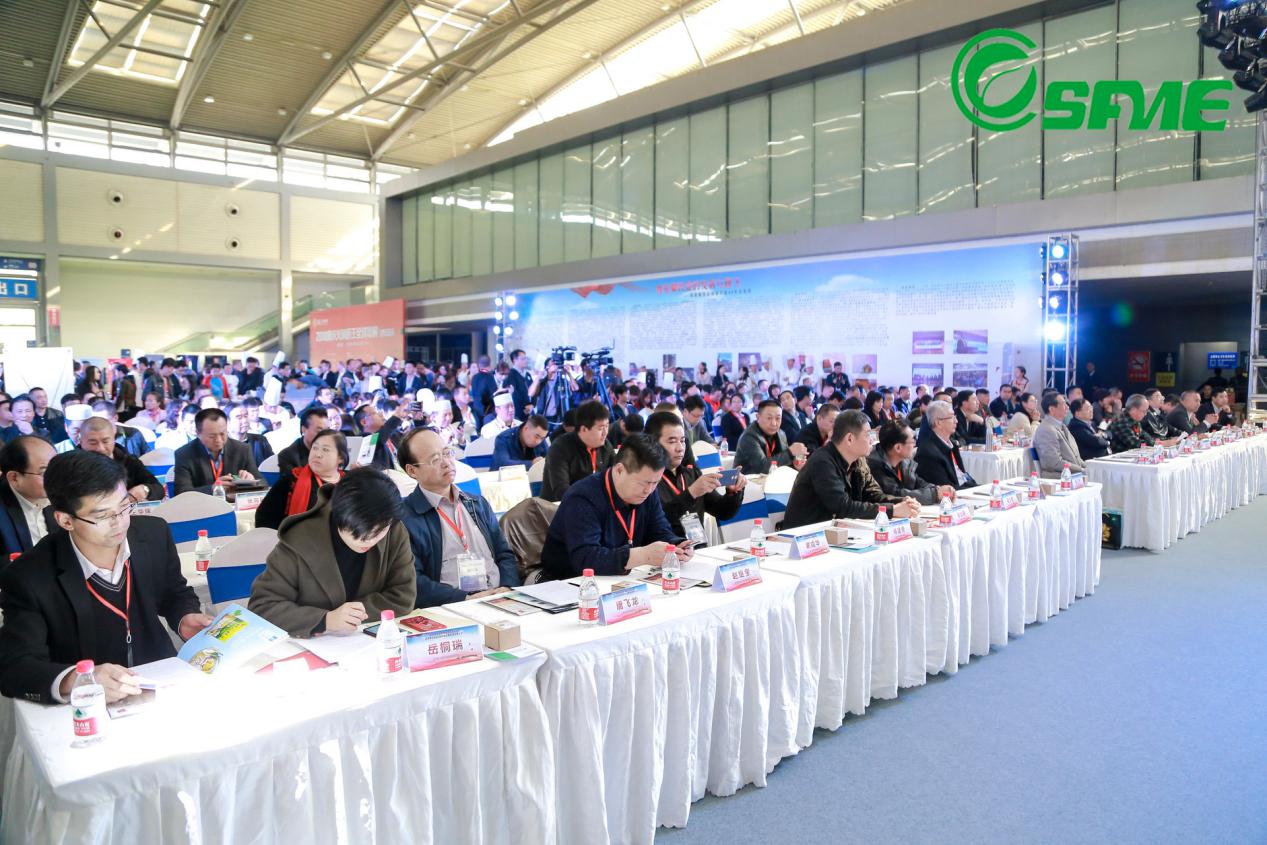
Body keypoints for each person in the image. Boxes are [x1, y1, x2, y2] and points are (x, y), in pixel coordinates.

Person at [0, 451, 210, 704]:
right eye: (102, 516)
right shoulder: (30, 576)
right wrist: (77, 680)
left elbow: (174, 592)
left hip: (158, 680)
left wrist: (184, 617)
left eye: (124, 506)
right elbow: (14, 667)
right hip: (87, 704)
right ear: (65, 520)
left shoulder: (153, 533)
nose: (119, 522)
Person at [248, 467, 415, 638]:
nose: (369, 541)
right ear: (337, 515)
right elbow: (262, 606)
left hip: (367, 640)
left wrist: (353, 615)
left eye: (379, 532)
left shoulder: (394, 530)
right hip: (310, 644)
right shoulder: (299, 540)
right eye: (357, 533)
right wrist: (325, 620)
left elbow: (403, 595)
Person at [539, 433, 690, 580]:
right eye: (643, 483)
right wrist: (643, 555)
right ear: (619, 470)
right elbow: (586, 558)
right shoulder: (583, 497)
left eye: (655, 483)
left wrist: (675, 545)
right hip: (566, 583)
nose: (648, 490)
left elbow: (659, 531)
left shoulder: (648, 492)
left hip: (617, 579)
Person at [397, 428, 520, 607]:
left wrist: (507, 587)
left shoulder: (477, 503)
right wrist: (465, 599)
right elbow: (414, 581)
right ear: (412, 471)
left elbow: (504, 554)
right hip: (452, 606)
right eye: (435, 459)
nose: (446, 463)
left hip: (500, 598)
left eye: (447, 453)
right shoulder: (404, 517)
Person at [783, 410, 920, 529]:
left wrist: (902, 502)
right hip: (805, 535)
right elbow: (842, 507)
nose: (872, 440)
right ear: (850, 439)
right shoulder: (822, 461)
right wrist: (892, 510)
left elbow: (874, 496)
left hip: (836, 531)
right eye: (868, 435)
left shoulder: (859, 460)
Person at [645, 411, 744, 539]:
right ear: (653, 443)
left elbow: (723, 512)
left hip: (697, 548)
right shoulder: (646, 481)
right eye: (672, 441)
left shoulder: (690, 474)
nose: (680, 448)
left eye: (682, 441)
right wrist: (691, 494)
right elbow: (657, 523)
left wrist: (733, 493)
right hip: (667, 549)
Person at [255, 430, 347, 530]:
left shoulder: (350, 482)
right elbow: (264, 518)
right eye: (315, 448)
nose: (318, 454)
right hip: (295, 538)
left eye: (325, 450)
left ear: (341, 457)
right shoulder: (292, 480)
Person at [867, 419, 955, 505]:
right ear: (898, 447)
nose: (915, 444)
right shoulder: (875, 464)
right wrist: (935, 494)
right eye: (912, 440)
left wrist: (939, 489)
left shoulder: (905, 462)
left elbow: (920, 483)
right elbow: (896, 494)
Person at [172, 408, 260, 494]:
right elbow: (181, 492)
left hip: (235, 502)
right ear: (198, 434)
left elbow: (262, 483)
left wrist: (252, 481)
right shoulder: (184, 454)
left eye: (222, 434)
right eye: (212, 436)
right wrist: (213, 489)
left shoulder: (242, 449)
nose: (218, 440)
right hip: (202, 503)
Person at [541, 400, 614, 501]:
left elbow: (616, 478)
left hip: (594, 503)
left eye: (607, 426)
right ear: (584, 429)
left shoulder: (605, 446)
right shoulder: (560, 447)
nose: (605, 433)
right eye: (600, 428)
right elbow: (561, 491)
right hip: (559, 506)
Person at [78, 417, 164, 501]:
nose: (100, 448)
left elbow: (158, 488)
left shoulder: (129, 461)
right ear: (81, 441)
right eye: (93, 443)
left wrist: (145, 489)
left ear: (113, 439)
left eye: (105, 441)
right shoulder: (72, 465)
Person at [0, 436, 55, 560]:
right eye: (45, 473)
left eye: (57, 467)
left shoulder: (65, 495)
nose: (57, 477)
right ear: (14, 478)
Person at [914, 400, 977, 490]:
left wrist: (978, 487)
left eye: (955, 417)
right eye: (951, 417)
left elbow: (963, 475)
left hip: (963, 489)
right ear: (938, 423)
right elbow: (945, 488)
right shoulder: (928, 453)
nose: (956, 421)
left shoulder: (952, 445)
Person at [734, 399, 806, 475]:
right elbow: (762, 467)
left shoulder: (781, 434)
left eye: (778, 418)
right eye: (769, 418)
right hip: (748, 480)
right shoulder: (749, 437)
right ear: (758, 417)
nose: (774, 423)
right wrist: (790, 452)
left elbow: (781, 460)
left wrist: (794, 464)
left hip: (773, 478)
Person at [1032, 393, 1084, 477]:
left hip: (1074, 474)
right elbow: (1053, 463)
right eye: (1063, 404)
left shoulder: (1061, 426)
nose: (1067, 407)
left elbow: (1076, 458)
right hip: (1059, 478)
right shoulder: (1046, 430)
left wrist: (1087, 467)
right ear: (1052, 409)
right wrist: (1082, 470)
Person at [1109, 394, 1176, 453]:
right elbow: (1135, 443)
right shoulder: (1121, 422)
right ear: (1134, 409)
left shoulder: (1134, 421)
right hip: (1119, 459)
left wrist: (1165, 441)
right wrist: (1161, 444)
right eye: (1144, 411)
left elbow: (1146, 437)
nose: (1145, 414)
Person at [277, 405, 331, 477]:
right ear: (304, 429)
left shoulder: (333, 450)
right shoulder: (288, 456)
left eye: (327, 431)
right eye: (319, 431)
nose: (324, 435)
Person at [225, 401, 274, 468]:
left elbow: (272, 465)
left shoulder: (260, 441)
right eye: (239, 417)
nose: (244, 420)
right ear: (227, 422)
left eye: (246, 416)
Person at [504, 349, 535, 421]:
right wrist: (524, 407)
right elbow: (514, 394)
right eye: (523, 359)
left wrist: (532, 404)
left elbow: (534, 390)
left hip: (530, 411)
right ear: (514, 360)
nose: (525, 361)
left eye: (525, 358)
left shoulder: (527, 374)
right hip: (518, 413)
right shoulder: (511, 375)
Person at [469, 355, 497, 422]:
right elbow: (494, 394)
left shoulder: (474, 377)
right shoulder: (490, 377)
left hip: (476, 410)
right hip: (488, 411)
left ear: (479, 365)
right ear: (490, 364)